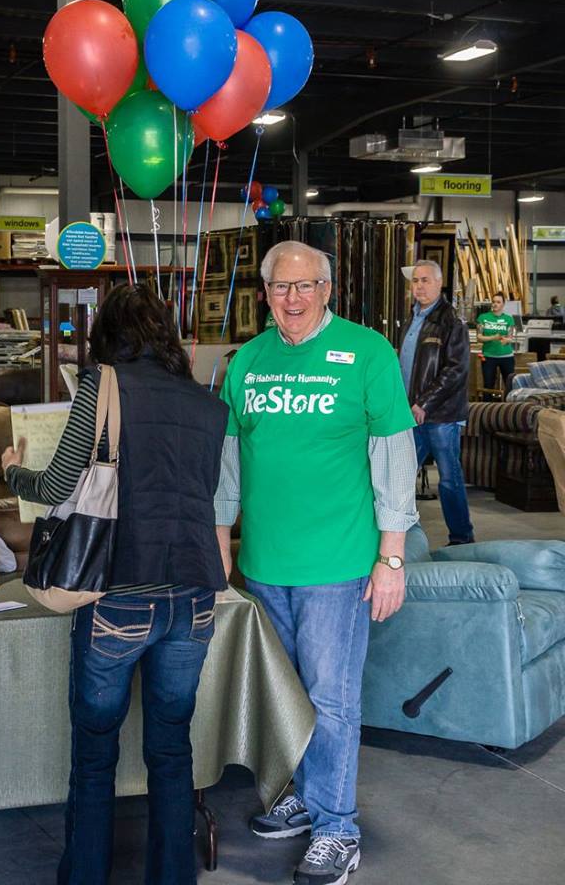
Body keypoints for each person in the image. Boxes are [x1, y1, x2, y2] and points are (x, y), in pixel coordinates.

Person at [1, 284, 228, 885]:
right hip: (196, 597)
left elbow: (52, 489)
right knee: (172, 751)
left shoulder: (101, 389)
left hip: (119, 596)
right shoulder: (208, 404)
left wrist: (9, 468)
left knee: (97, 756)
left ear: (109, 335)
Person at [214, 241, 418, 885]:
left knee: (330, 701)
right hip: (266, 565)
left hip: (339, 564)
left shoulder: (367, 354)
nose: (293, 300)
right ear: (265, 292)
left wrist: (392, 557)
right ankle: (305, 796)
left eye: (305, 287)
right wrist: (221, 549)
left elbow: (393, 462)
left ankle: (337, 828)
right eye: (281, 288)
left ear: (327, 289)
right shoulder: (246, 361)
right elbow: (225, 466)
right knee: (286, 696)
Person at [399, 259, 474, 545]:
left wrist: (424, 404)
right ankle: (398, 534)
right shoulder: (412, 319)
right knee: (401, 478)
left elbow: (456, 370)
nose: (419, 286)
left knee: (448, 479)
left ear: (439, 283)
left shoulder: (451, 322)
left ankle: (462, 538)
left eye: (425, 280)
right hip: (411, 414)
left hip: (440, 415)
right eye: (415, 280)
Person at [477, 292, 515, 399]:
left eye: (498, 302)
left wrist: (506, 340)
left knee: (509, 385)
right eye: (493, 302)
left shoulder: (509, 319)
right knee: (488, 385)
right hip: (488, 356)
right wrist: (493, 338)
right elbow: (479, 337)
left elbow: (510, 337)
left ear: (503, 304)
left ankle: (509, 410)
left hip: (506, 356)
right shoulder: (483, 317)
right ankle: (486, 411)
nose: (495, 304)